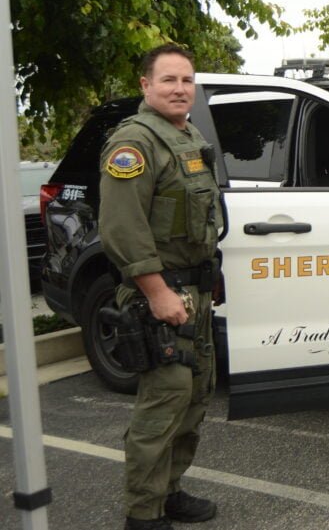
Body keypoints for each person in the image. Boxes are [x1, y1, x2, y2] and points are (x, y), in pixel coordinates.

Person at [99, 44, 223, 530]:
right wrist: (156, 293)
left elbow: (198, 217)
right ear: (145, 85)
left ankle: (169, 491)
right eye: (168, 79)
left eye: (187, 80)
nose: (179, 88)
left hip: (193, 292)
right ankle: (142, 513)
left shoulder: (187, 135)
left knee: (194, 398)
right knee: (164, 402)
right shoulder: (133, 144)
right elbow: (122, 229)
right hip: (162, 296)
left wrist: (209, 275)